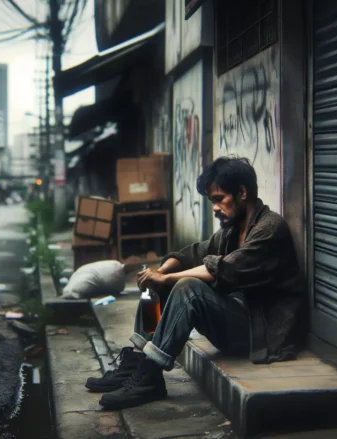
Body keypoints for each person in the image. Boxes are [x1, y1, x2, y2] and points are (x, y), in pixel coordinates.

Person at [86, 156, 305, 410]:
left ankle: (151, 374)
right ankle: (137, 358)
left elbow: (224, 269)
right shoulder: (231, 230)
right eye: (212, 201)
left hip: (261, 333)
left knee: (186, 288)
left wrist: (167, 277)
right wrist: (160, 272)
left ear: (242, 192)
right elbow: (191, 253)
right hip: (238, 319)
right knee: (156, 282)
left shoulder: (269, 228)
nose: (214, 207)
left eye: (219, 199)